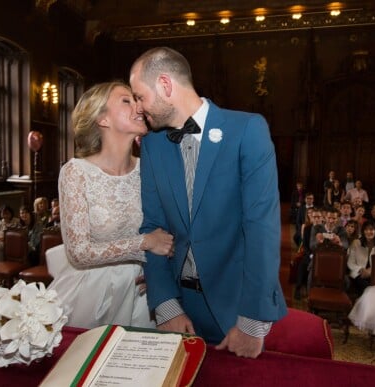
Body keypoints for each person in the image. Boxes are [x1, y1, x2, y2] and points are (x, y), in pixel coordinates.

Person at [130, 46, 287, 358]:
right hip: (180, 308)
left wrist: (252, 322)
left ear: (165, 85)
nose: (137, 108)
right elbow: (153, 228)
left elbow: (262, 230)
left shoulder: (247, 130)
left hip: (236, 310)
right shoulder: (152, 146)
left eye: (139, 96)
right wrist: (165, 305)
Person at [48, 81, 174, 329]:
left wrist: (163, 270)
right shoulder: (76, 172)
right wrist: (144, 243)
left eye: (136, 100)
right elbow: (79, 253)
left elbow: (172, 234)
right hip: (92, 294)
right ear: (102, 119)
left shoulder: (151, 168)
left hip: (144, 293)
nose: (138, 107)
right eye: (126, 101)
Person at [347, 221, 375, 297]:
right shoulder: (356, 243)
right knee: (365, 286)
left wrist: (370, 271)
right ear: (363, 231)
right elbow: (350, 262)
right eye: (366, 230)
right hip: (358, 273)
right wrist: (361, 269)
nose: (369, 232)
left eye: (371, 229)